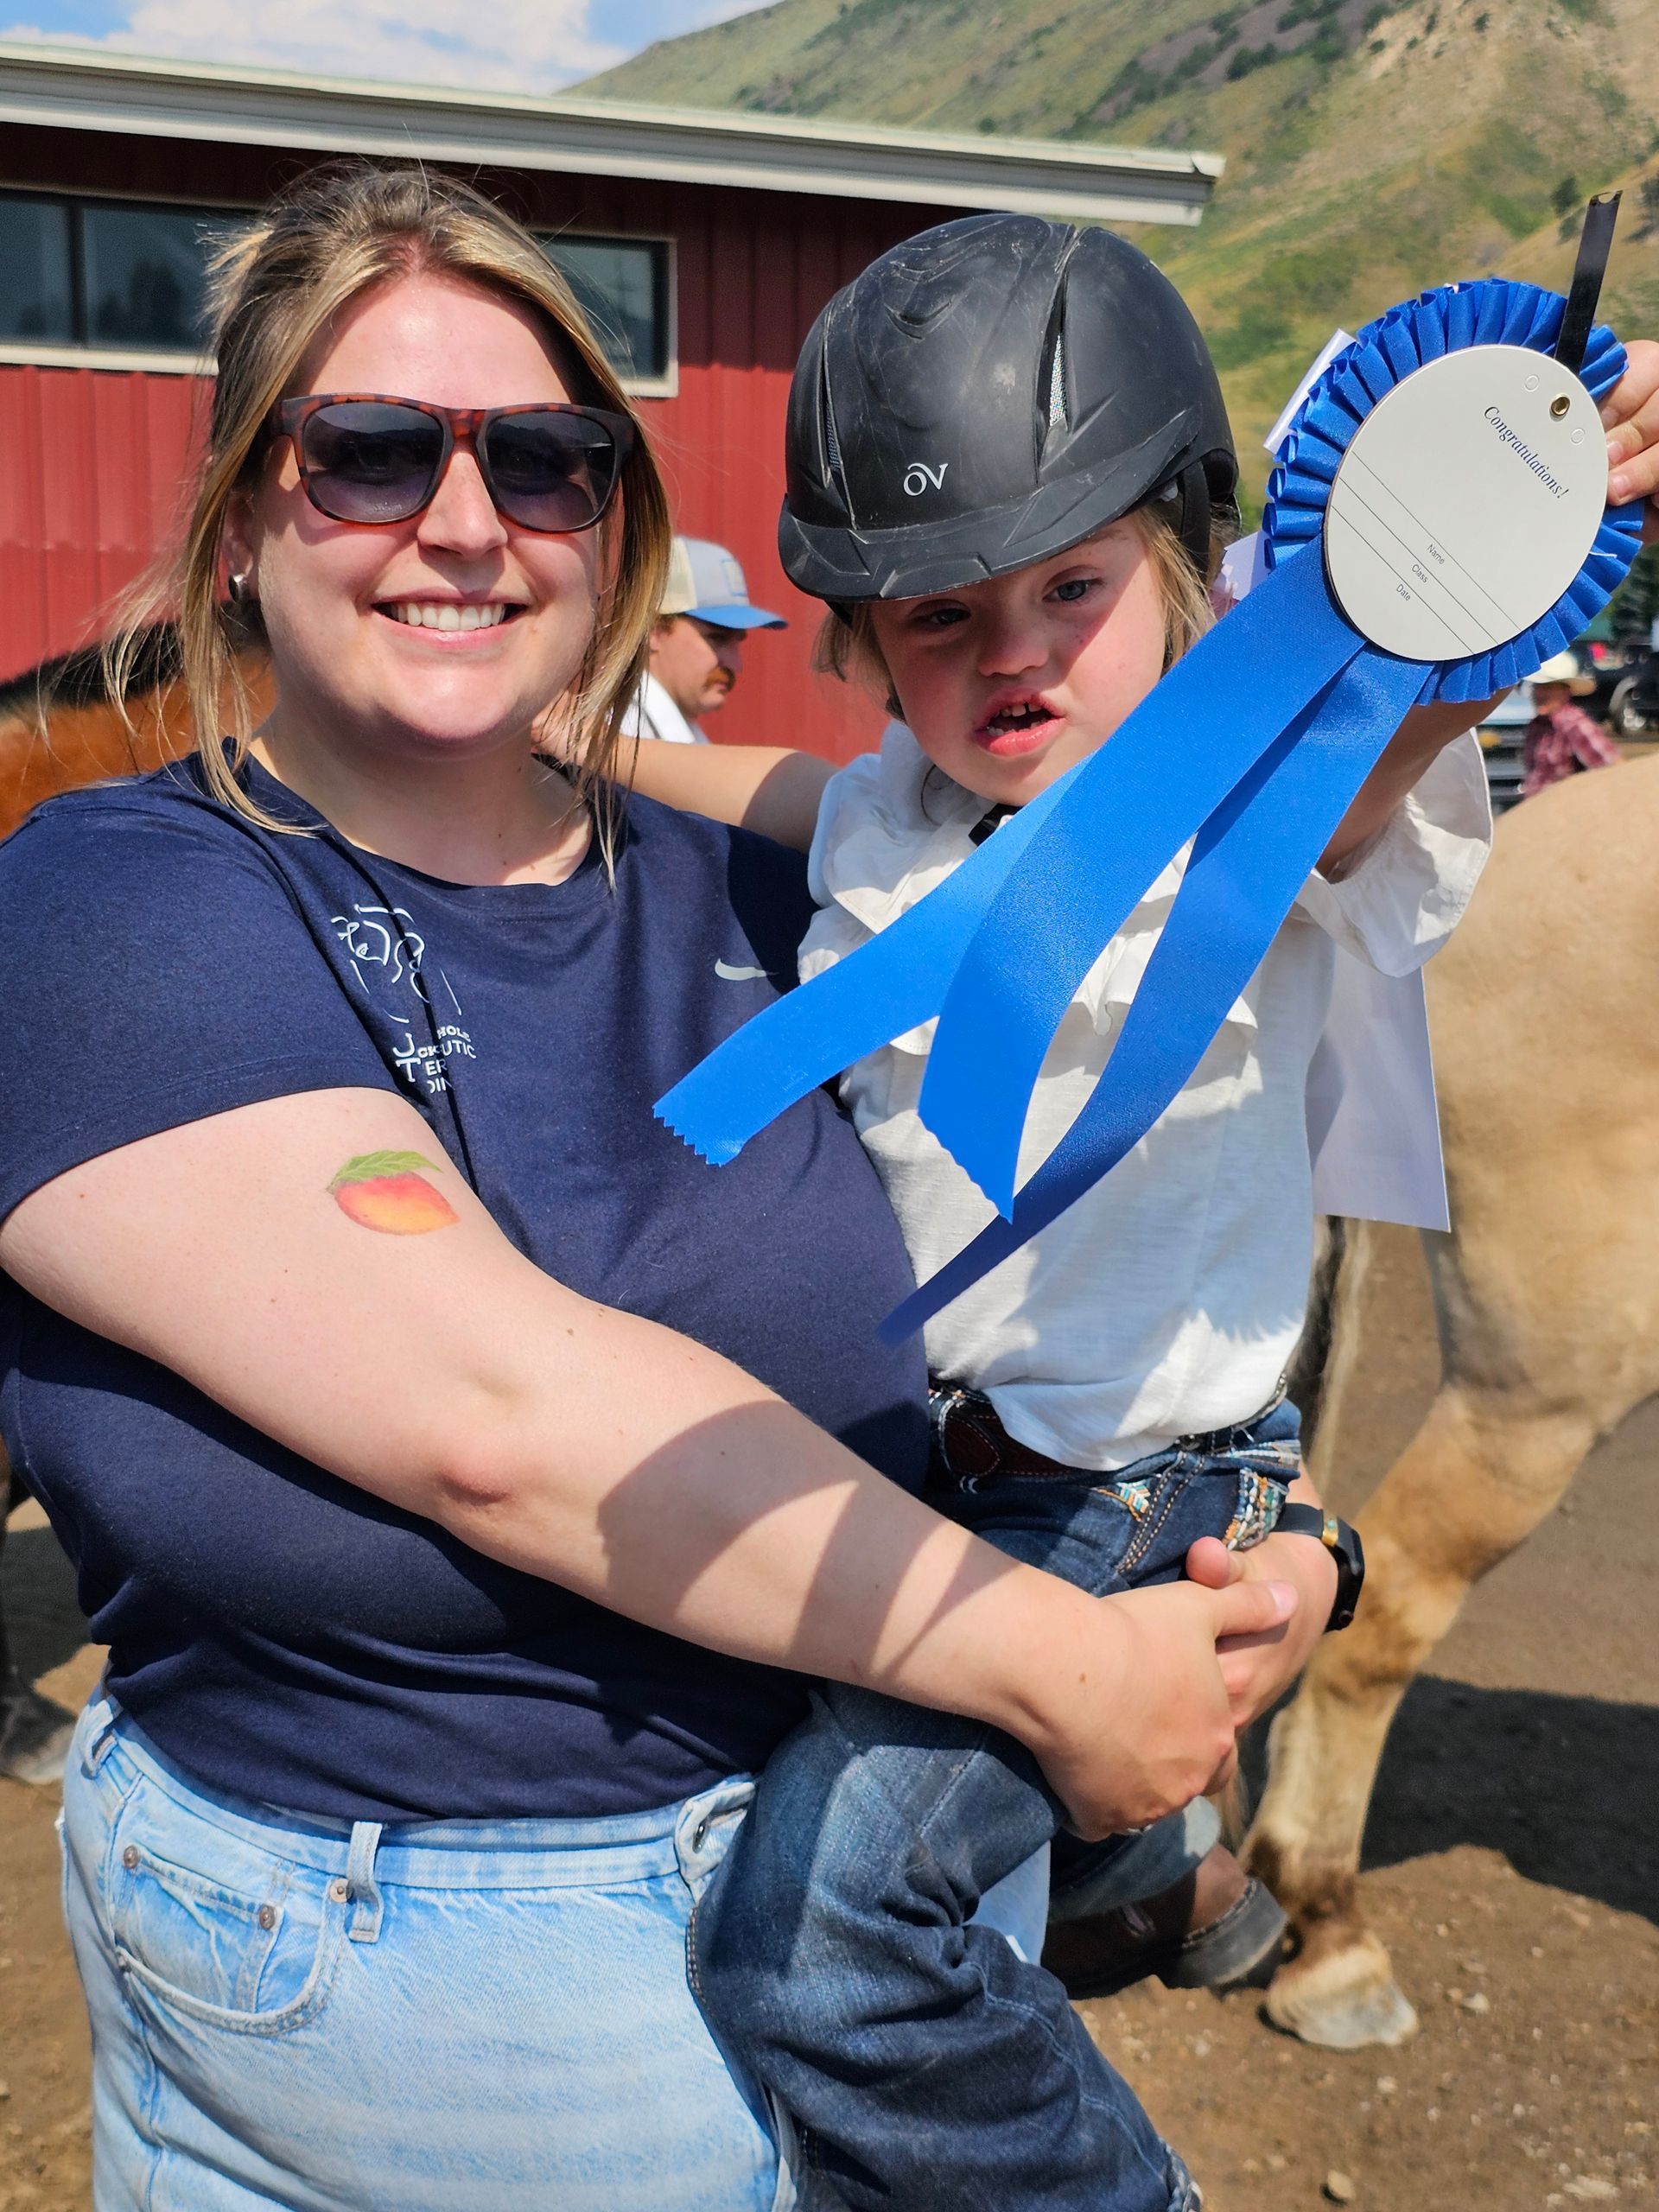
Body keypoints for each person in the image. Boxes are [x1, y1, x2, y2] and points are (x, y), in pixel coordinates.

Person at [0, 166, 1318, 2212]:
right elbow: (500, 1416)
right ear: (247, 515)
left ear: (611, 514)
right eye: (365, 452)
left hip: (854, 1853)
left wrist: (1271, 1535)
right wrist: (1075, 1674)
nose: (465, 517)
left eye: (544, 457)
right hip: (434, 2007)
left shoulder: (791, 886)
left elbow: (1158, 1149)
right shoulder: (116, 908)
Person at [620, 213, 1659, 2212]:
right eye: (941, 616)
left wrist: (1488, 560)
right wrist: (571, 732)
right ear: (859, 644)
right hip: (933, 1448)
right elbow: (755, 784)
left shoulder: (1247, 815)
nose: (1011, 648)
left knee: (814, 1931)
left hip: (1124, 1483)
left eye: (1073, 589)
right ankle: (1141, 1867)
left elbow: (1368, 782)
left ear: (1188, 580)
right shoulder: (882, 815)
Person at [620, 533, 786, 744]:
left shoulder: (670, 733)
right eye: (716, 638)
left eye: (737, 642)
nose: (736, 664)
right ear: (654, 632)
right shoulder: (623, 733)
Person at [1522, 648, 1622, 797]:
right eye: (1537, 688)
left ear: (1565, 692)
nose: (1540, 694)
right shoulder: (1537, 726)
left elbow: (1612, 769)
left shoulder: (1575, 725)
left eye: (1548, 688)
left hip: (1565, 811)